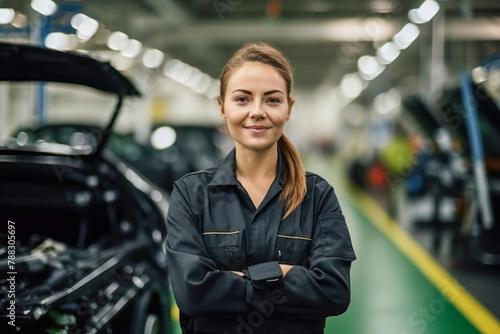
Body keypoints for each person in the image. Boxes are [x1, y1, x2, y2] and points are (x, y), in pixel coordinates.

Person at [166, 42, 356, 334]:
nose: (257, 111)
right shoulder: (191, 195)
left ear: (289, 108)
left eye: (272, 100)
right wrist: (282, 274)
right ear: (222, 108)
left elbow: (333, 291)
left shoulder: (317, 196)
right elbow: (193, 293)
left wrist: (235, 281)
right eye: (242, 99)